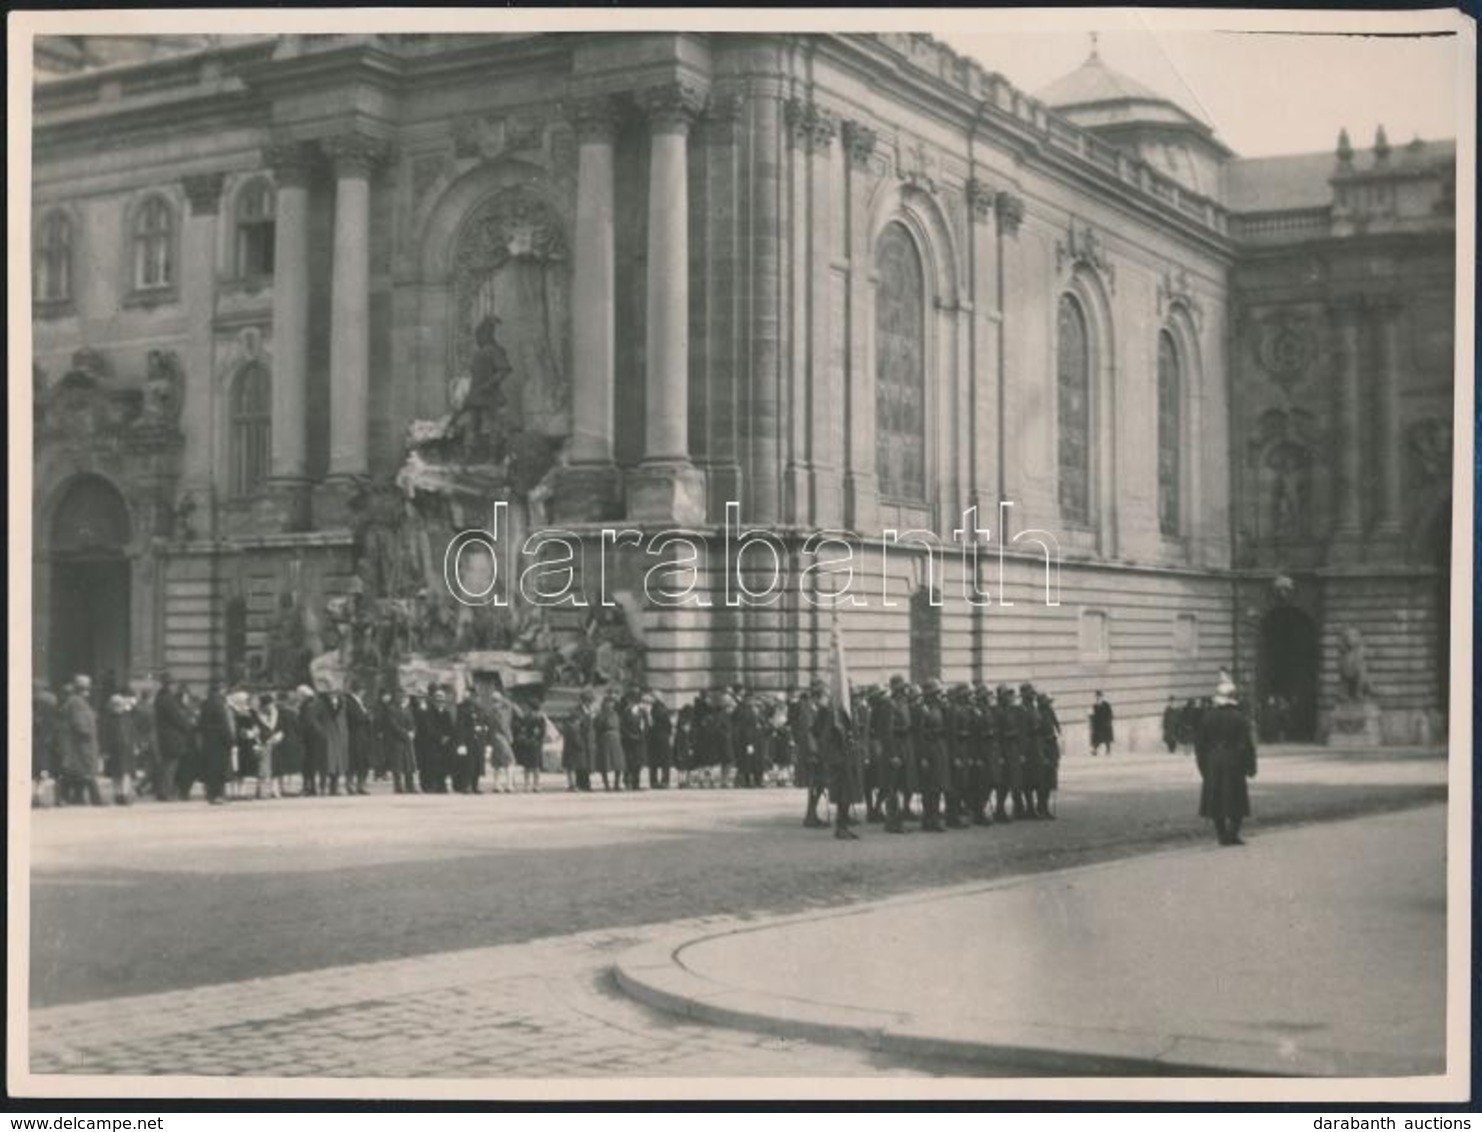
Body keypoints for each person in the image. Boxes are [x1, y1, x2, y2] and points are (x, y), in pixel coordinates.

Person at [1195, 678, 1258, 846]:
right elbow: (1246, 745)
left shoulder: (1207, 717)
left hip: (1213, 760)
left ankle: (1222, 835)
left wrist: (1203, 767)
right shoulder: (1239, 718)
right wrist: (1250, 766)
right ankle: (1232, 834)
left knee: (1215, 799)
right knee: (1236, 799)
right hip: (1233, 760)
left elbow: (1200, 745)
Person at [58, 676, 104, 806]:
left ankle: (78, 798)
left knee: (80, 771)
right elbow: (79, 722)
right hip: (82, 743)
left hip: (81, 742)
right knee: (85, 770)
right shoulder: (77, 702)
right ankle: (95, 798)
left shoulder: (78, 701)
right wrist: (87, 733)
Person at [197, 683, 235, 805]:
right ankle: (219, 795)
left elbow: (201, 723)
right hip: (219, 742)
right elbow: (224, 724)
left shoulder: (205, 703)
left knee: (210, 769)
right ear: (221, 690)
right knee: (220, 769)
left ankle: (210, 795)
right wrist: (230, 740)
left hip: (208, 741)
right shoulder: (219, 704)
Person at [377, 687, 418, 794]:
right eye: (401, 696)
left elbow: (412, 723)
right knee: (398, 765)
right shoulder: (392, 709)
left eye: (405, 696)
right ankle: (398, 787)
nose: (403, 699)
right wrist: (406, 734)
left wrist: (413, 732)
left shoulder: (408, 709)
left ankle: (410, 786)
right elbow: (393, 725)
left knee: (409, 764)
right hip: (397, 741)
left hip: (407, 741)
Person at [795, 683, 825, 827]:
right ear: (816, 696)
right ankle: (810, 815)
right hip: (811, 754)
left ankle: (812, 813)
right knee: (814, 784)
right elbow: (808, 733)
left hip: (816, 752)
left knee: (818, 784)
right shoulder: (807, 710)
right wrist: (814, 752)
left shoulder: (814, 709)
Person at [101, 693, 138, 805]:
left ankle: (122, 794)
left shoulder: (123, 717)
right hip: (118, 750)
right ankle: (120, 794)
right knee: (118, 773)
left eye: (119, 705)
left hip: (124, 749)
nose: (118, 707)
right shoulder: (120, 718)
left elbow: (131, 733)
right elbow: (105, 736)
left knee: (122, 773)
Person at [454, 688, 490, 794]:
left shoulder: (480, 709)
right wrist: (461, 743)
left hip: (479, 740)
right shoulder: (462, 708)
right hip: (468, 740)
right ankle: (466, 785)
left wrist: (483, 731)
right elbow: (460, 726)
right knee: (468, 764)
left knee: (478, 764)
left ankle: (475, 785)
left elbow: (486, 723)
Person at [252, 692, 285, 798]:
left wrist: (279, 736)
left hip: (276, 744)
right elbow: (255, 730)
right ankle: (262, 792)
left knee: (276, 768)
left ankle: (275, 791)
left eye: (272, 704)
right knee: (263, 770)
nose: (271, 707)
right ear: (264, 705)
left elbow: (282, 728)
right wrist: (257, 742)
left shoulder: (277, 714)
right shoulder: (256, 716)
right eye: (268, 705)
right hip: (263, 744)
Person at [33, 680, 59, 808]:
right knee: (44, 768)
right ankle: (38, 794)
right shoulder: (51, 701)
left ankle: (36, 794)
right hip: (46, 739)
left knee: (37, 769)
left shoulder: (33, 700)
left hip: (35, 739)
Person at [487, 686, 516, 794]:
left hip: (493, 738)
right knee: (510, 761)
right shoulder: (501, 711)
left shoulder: (490, 711)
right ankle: (509, 785)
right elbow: (503, 725)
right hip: (502, 737)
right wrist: (509, 736)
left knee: (497, 763)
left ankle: (496, 784)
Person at [345, 682, 373, 796]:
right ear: (358, 690)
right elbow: (354, 717)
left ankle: (361, 785)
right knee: (353, 760)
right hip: (354, 733)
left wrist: (368, 717)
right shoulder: (349, 702)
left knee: (364, 760)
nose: (364, 692)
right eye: (362, 690)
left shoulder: (362, 702)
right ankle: (350, 784)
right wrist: (366, 717)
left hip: (363, 734)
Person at [647, 695, 673, 789]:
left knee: (653, 763)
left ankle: (653, 782)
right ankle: (665, 781)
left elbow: (649, 727)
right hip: (664, 740)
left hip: (654, 740)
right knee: (665, 763)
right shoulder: (665, 713)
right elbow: (669, 728)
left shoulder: (652, 712)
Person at [1090, 690, 1115, 757]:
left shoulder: (1106, 705)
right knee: (1097, 739)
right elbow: (1093, 715)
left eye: (1099, 696)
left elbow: (1110, 714)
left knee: (1107, 739)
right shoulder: (1095, 706)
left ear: (1102, 697)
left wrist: (1108, 722)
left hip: (1105, 724)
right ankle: (1095, 750)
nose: (1098, 698)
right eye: (1097, 697)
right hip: (1098, 725)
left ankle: (1108, 750)